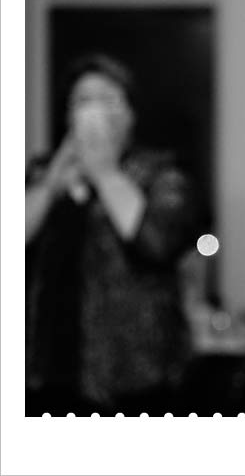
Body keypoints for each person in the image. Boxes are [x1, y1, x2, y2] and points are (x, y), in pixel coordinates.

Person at [26, 53, 196, 416]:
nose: (93, 111)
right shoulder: (42, 173)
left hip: (132, 376)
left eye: (107, 99)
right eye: (82, 100)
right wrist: (53, 179)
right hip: (44, 372)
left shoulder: (160, 174)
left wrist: (104, 172)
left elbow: (156, 243)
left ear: (130, 113)